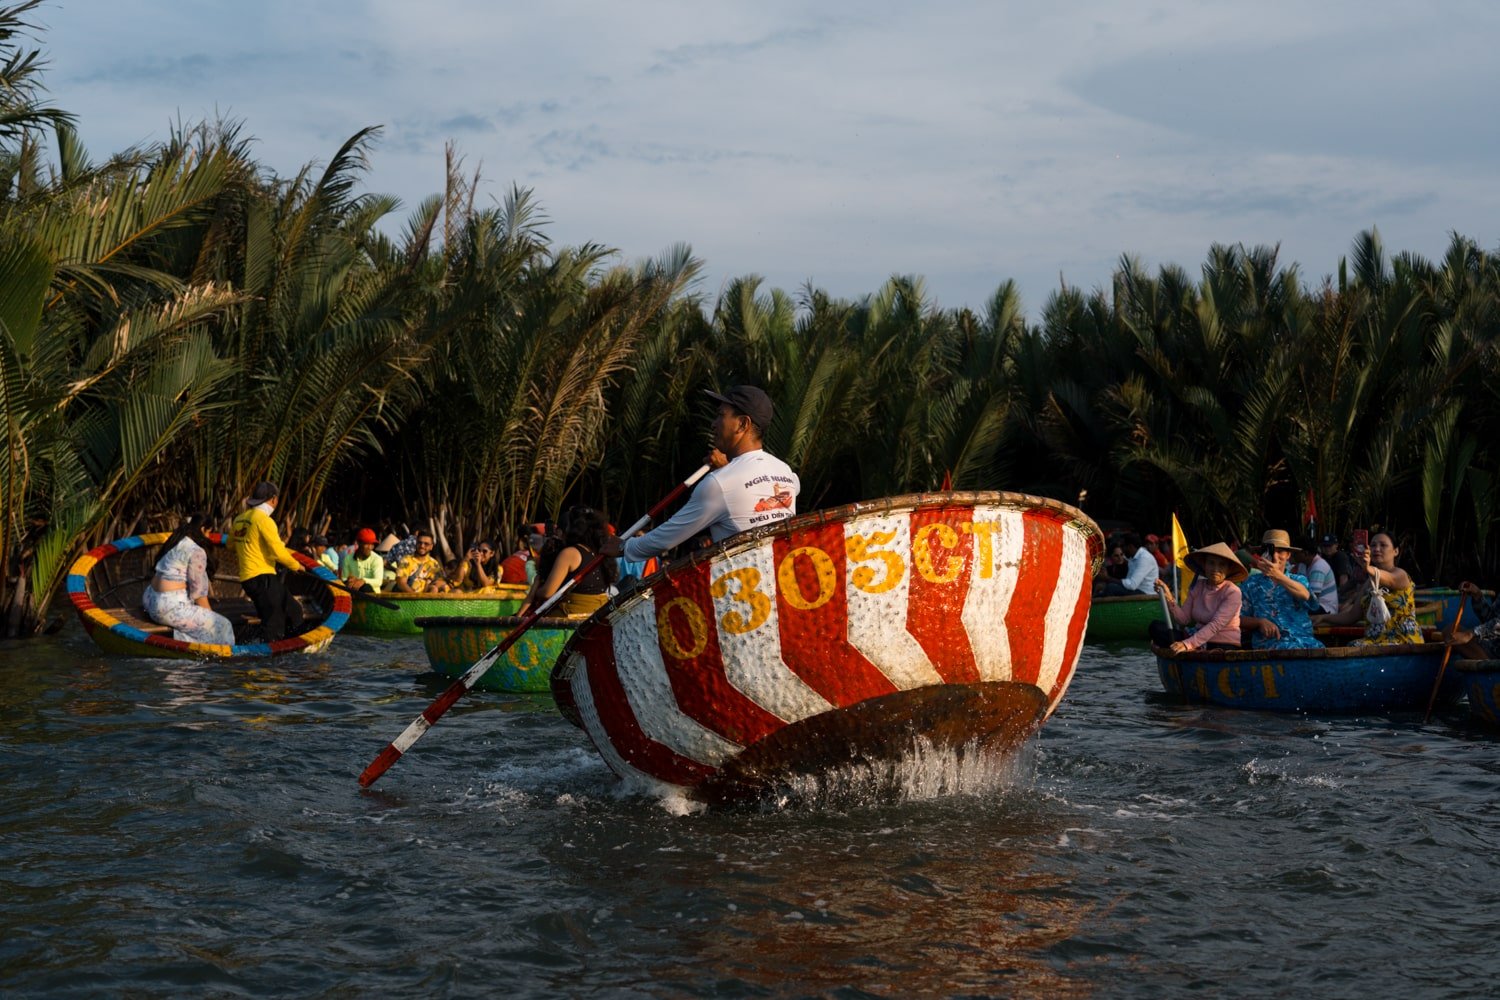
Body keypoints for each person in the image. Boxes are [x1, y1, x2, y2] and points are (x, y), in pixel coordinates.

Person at [602, 385, 800, 563]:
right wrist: (727, 468)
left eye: (721, 415)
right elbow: (763, 486)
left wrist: (624, 547)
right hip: (781, 586)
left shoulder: (719, 484)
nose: (714, 424)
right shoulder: (785, 473)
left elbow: (667, 537)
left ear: (742, 424)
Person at [142, 513, 235, 646]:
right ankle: (220, 661)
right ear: (203, 529)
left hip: (149, 599)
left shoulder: (175, 542)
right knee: (224, 626)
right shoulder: (196, 551)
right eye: (209, 532)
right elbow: (198, 595)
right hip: (165, 608)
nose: (208, 537)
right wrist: (211, 620)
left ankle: (183, 642)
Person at [229, 482, 306, 641]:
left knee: (294, 610)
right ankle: (268, 660)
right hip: (263, 577)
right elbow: (278, 552)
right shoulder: (264, 520)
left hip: (249, 579)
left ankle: (292, 645)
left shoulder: (239, 519)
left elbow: (230, 545)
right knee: (273, 623)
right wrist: (297, 566)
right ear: (274, 499)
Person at [1319, 531, 1423, 646]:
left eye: (1383, 545)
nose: (1377, 549)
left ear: (1396, 551)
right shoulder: (1369, 582)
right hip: (1374, 641)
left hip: (1403, 641)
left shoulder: (1400, 575)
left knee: (1355, 646)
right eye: (1373, 545)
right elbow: (1351, 616)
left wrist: (1367, 568)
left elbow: (1390, 579)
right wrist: (1322, 618)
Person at [518, 506, 617, 618]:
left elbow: (547, 593)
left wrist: (535, 590)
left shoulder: (570, 553)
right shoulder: (599, 551)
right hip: (598, 612)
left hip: (573, 612)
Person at [1149, 542, 1246, 652]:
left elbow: (1215, 625)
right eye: (1211, 563)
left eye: (1222, 565)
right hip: (1196, 637)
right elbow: (1183, 619)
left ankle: (1190, 649)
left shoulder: (1233, 592)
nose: (1215, 568)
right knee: (1156, 627)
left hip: (1223, 643)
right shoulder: (1198, 586)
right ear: (1204, 565)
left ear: (1228, 569)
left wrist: (1187, 644)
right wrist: (1168, 596)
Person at [1239, 528, 1320, 650]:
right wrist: (1259, 622)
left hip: (1306, 644)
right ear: (1263, 554)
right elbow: (1237, 618)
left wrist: (1278, 576)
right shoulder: (1251, 583)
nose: (1275, 557)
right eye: (1270, 551)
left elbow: (1305, 595)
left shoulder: (1299, 579)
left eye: (1280, 551)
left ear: (1288, 555)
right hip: (1270, 647)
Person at [1444, 581, 1500, 659]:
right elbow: (1490, 619)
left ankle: (1489, 667)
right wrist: (1477, 595)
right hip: (1493, 646)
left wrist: (1471, 633)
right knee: (1450, 631)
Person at [1294, 539, 1339, 614]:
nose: (1292, 555)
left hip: (1325, 607)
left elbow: (1313, 600)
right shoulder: (1303, 564)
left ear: (1305, 553)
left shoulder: (1318, 567)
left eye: (1295, 553)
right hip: (1314, 603)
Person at [341, 528, 387, 593]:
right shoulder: (348, 558)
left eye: (372, 544)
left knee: (365, 587)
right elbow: (344, 579)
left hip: (373, 596)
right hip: (353, 592)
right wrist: (349, 580)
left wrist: (363, 581)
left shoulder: (377, 559)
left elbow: (379, 581)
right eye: (367, 544)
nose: (370, 547)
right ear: (359, 543)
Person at [1322, 533, 1359, 607]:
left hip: (1340, 593)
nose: (1327, 548)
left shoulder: (1341, 557)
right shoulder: (1323, 557)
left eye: (1330, 546)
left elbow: (1343, 581)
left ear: (1336, 545)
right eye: (1325, 546)